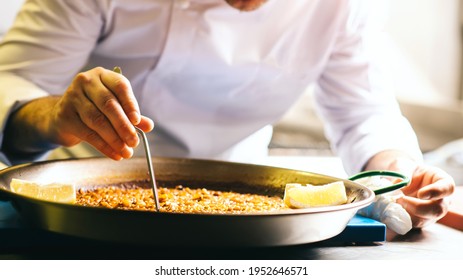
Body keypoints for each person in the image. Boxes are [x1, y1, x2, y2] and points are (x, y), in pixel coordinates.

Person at [0, 0, 454, 229]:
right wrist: (55, 115)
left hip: (247, 208)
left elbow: (365, 115)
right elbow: (12, 85)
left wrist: (401, 176)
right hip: (78, 205)